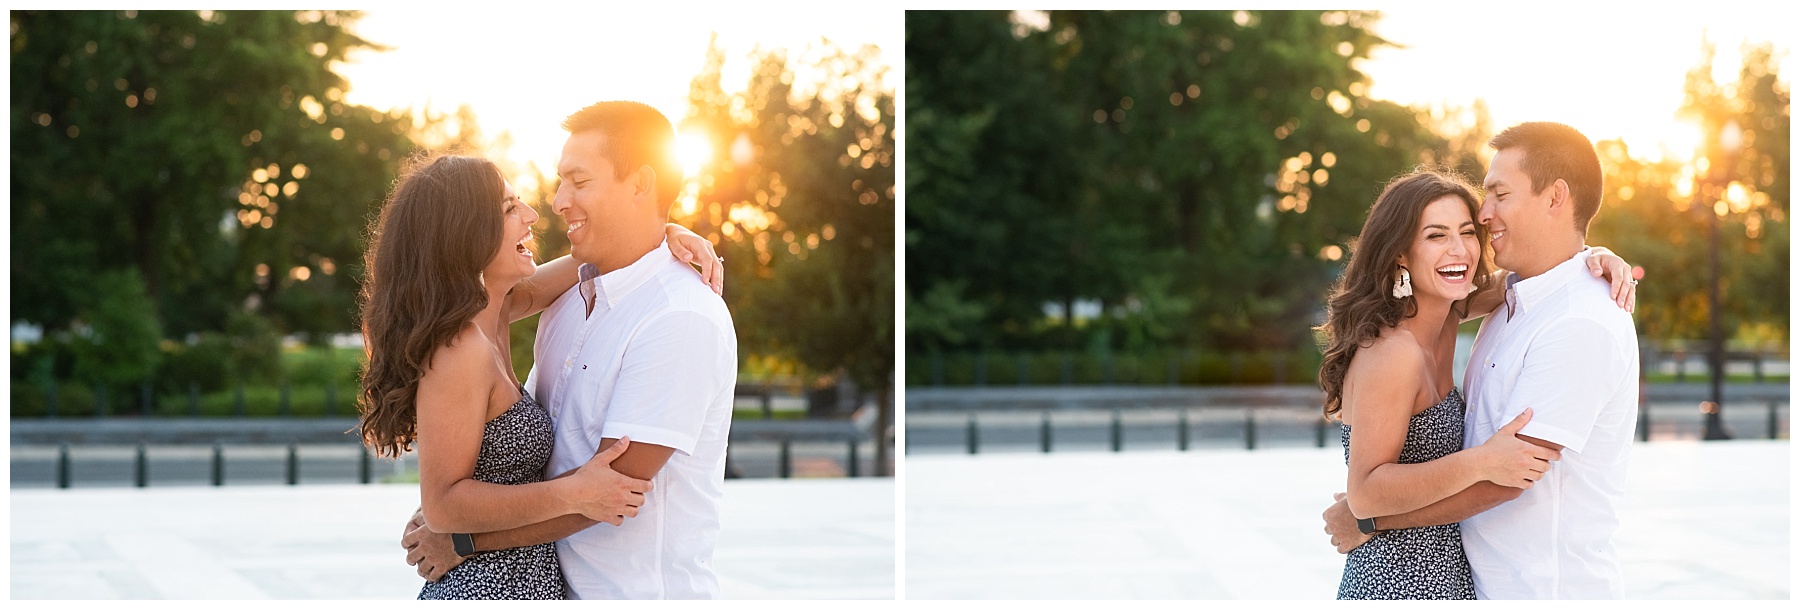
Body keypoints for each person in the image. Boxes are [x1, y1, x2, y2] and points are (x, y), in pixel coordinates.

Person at [402, 101, 739, 599]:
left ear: (641, 185)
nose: (556, 202)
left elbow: (605, 494)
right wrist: (662, 235)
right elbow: (491, 294)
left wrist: (465, 540)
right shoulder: (569, 299)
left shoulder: (678, 318)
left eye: (578, 182)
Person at [1322, 123, 1642, 599]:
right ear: (1400, 255)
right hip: (1402, 583)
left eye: (1468, 229)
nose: (1477, 228)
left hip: (1514, 587)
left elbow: (1515, 476)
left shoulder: (1483, 309)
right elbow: (1490, 470)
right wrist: (1477, 463)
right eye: (1436, 235)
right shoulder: (1397, 349)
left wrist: (1594, 255)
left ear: (1556, 197)